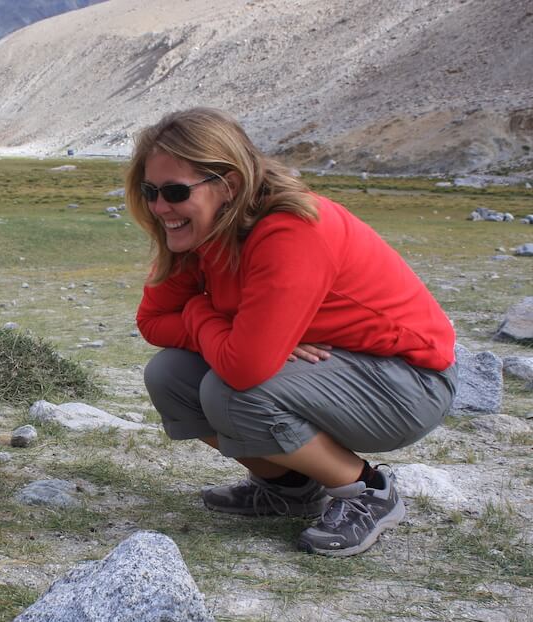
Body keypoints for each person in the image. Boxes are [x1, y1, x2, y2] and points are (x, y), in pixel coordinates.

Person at [130, 107, 457, 557]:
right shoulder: (201, 232)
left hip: (408, 384)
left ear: (229, 186)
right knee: (169, 375)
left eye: (174, 191)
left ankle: (368, 491)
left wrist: (204, 313)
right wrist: (227, 326)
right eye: (151, 191)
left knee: (230, 391)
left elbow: (244, 368)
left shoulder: (290, 230)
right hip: (334, 373)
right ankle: (288, 489)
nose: (160, 207)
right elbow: (152, 322)